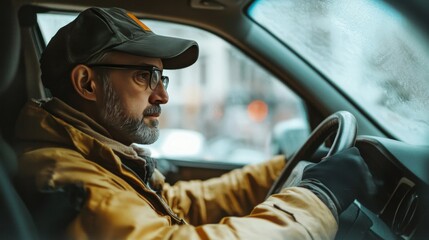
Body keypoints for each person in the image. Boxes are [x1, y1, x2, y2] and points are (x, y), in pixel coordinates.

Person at [14, 7, 375, 239]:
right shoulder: (70, 181)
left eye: (161, 78)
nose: (162, 96)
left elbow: (182, 204)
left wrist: (283, 168)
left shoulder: (101, 159)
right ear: (86, 83)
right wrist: (317, 197)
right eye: (144, 76)